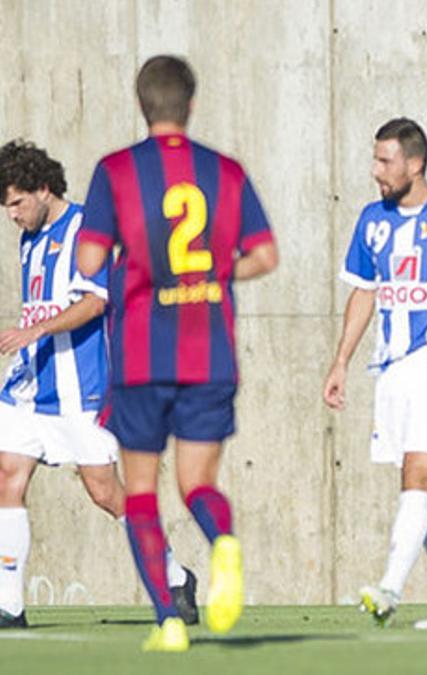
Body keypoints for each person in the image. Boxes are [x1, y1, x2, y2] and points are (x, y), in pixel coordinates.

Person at [76, 55, 279, 651]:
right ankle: (223, 543)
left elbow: (89, 261)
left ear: (142, 106)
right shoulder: (226, 172)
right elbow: (265, 257)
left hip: (142, 354)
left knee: (141, 492)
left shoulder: (116, 172)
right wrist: (214, 274)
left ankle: (168, 621)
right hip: (208, 352)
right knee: (197, 482)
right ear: (191, 105)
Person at [0, 140, 196, 628]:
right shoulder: (31, 236)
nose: (11, 215)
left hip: (83, 388)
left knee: (106, 493)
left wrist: (36, 330)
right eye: (6, 206)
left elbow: (94, 302)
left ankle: (175, 575)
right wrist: (31, 339)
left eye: (17, 202)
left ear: (43, 188)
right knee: (8, 476)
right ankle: (9, 605)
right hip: (30, 386)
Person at [323, 118, 427, 630]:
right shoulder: (372, 220)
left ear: (415, 163)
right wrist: (341, 360)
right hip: (390, 367)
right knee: (426, 484)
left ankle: (389, 588)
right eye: (374, 159)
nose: (375, 171)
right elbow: (365, 290)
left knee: (419, 470)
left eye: (385, 161)